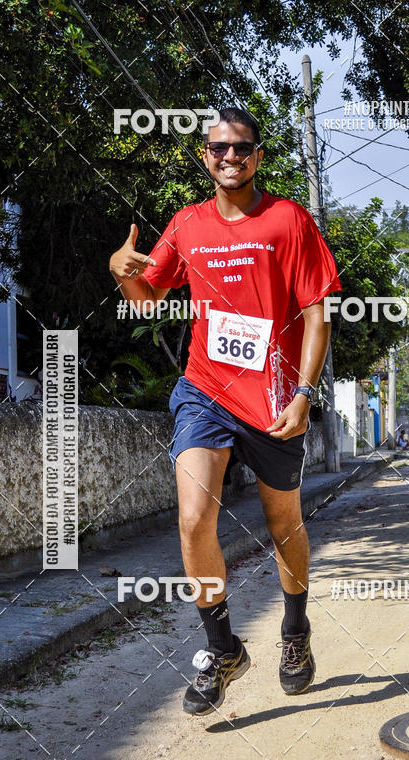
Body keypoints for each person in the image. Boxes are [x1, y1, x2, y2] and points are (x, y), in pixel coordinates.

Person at [109, 107, 341, 714]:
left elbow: (317, 313)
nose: (229, 157)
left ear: (258, 156)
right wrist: (121, 272)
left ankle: (295, 631)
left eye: (241, 148)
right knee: (192, 520)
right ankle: (222, 648)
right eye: (218, 148)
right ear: (203, 157)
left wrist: (304, 392)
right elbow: (148, 293)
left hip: (271, 399)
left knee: (283, 523)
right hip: (204, 391)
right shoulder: (186, 225)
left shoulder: (288, 221)